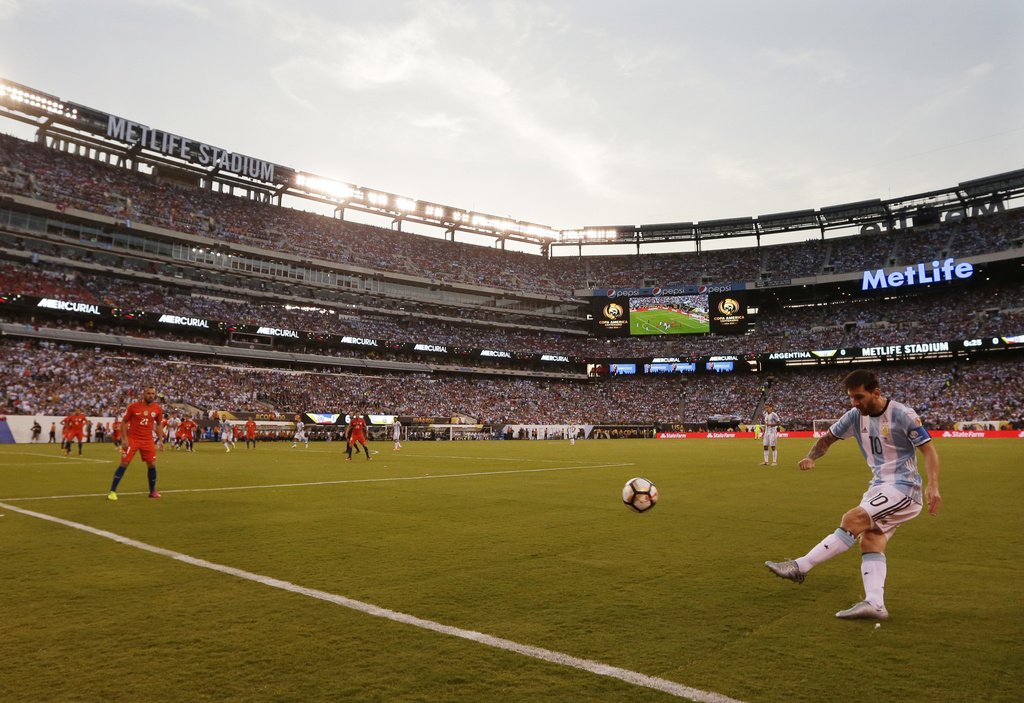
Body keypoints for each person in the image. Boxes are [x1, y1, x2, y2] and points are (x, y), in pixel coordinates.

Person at [765, 369, 941, 621]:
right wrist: (809, 456)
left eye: (859, 397)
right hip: (878, 487)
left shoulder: (902, 415)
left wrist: (933, 484)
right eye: (851, 398)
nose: (855, 403)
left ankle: (799, 566)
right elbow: (826, 440)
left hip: (904, 488)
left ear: (876, 392)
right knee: (870, 540)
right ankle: (875, 604)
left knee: (853, 519)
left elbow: (929, 451)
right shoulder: (854, 416)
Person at [108, 386, 164, 500]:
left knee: (151, 464)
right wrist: (124, 439)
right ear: (143, 394)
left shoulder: (157, 408)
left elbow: (159, 424)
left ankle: (152, 491)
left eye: (153, 393)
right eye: (148, 393)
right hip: (133, 439)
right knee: (124, 463)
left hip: (148, 440)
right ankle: (112, 491)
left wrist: (161, 440)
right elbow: (124, 422)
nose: (151, 396)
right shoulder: (133, 407)